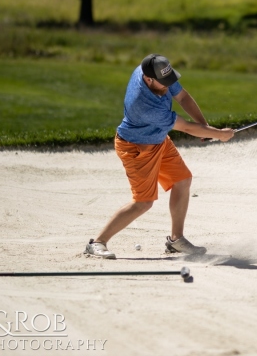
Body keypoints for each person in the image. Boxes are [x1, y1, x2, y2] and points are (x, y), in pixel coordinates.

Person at [85, 54, 234, 259]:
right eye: (163, 83)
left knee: (182, 180)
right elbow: (186, 127)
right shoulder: (142, 102)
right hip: (136, 149)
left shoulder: (158, 74)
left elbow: (183, 97)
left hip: (158, 140)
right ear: (148, 79)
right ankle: (97, 243)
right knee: (143, 202)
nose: (167, 87)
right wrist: (219, 134)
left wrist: (206, 127)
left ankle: (176, 240)